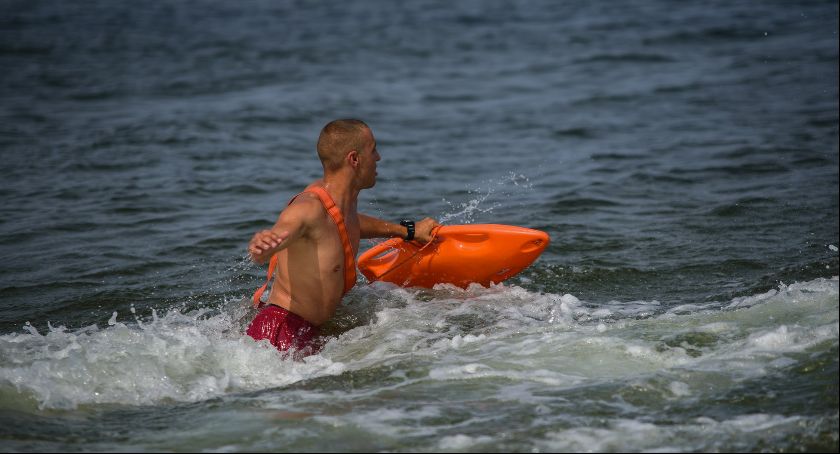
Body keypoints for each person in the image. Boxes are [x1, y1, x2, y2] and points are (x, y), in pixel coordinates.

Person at [246, 119, 439, 358]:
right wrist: (266, 245)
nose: (378, 158)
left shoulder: (339, 204)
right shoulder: (308, 207)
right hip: (279, 335)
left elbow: (350, 224)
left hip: (309, 331)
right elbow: (286, 229)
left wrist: (408, 231)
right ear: (354, 159)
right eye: (373, 150)